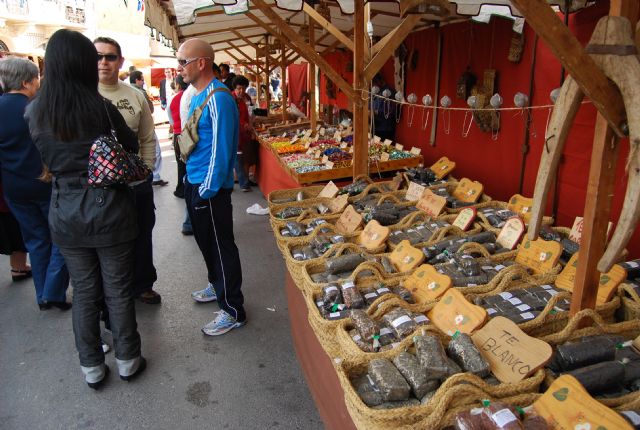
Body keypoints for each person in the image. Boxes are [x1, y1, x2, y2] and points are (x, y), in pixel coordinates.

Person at [25, 29, 145, 388]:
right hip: (110, 209)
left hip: (64, 210)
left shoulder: (34, 112)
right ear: (83, 64)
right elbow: (130, 144)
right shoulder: (101, 108)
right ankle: (127, 358)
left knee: (83, 290)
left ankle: (91, 365)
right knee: (118, 288)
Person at [177, 38, 246, 336]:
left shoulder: (219, 98)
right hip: (196, 182)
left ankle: (232, 309)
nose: (179, 68)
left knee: (221, 246)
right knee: (207, 242)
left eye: (183, 62)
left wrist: (207, 188)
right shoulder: (198, 94)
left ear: (201, 62)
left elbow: (221, 150)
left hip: (210, 188)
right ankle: (216, 284)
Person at [94, 36, 162, 305]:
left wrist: (144, 172)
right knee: (107, 242)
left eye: (110, 57)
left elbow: (147, 138)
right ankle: (111, 293)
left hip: (135, 182)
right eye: (98, 56)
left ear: (120, 61)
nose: (103, 62)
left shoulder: (135, 95)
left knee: (142, 233)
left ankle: (143, 284)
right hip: (100, 187)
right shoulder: (83, 95)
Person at [0, 57, 70, 309]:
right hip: (44, 183)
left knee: (36, 240)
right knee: (61, 239)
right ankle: (53, 291)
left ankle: (43, 295)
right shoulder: (38, 108)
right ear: (27, 81)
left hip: (13, 188)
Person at [129, 70, 168, 187]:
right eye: (142, 79)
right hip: (145, 127)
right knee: (155, 150)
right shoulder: (140, 92)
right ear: (137, 80)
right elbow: (150, 109)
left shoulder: (128, 91)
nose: (143, 81)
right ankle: (153, 175)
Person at [232, 75, 253, 193]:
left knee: (245, 158)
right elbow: (235, 116)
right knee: (237, 158)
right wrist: (244, 124)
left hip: (246, 134)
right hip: (235, 133)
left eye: (244, 88)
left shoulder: (247, 98)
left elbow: (251, 111)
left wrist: (253, 121)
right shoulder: (231, 98)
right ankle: (244, 183)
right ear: (235, 88)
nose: (241, 91)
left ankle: (244, 179)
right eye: (239, 88)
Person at [371, 73, 397, 141]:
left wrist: (374, 112)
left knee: (384, 148)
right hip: (375, 126)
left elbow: (390, 111)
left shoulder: (388, 92)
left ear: (378, 81)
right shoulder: (375, 92)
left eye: (373, 84)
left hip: (385, 128)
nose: (372, 87)